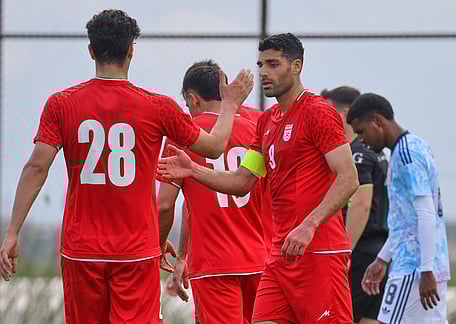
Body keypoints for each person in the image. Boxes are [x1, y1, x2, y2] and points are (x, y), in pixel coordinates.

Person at [0, 9, 254, 324]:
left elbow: (36, 168)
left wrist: (13, 232)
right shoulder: (157, 106)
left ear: (91, 50)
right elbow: (215, 145)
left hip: (82, 249)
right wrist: (229, 104)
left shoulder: (61, 103)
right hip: (136, 250)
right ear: (132, 50)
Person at [158, 33, 359, 323]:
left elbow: (348, 178)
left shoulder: (319, 112)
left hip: (318, 250)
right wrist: (193, 170)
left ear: (296, 66)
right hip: (278, 256)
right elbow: (242, 181)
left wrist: (309, 225)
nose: (264, 72)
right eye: (261, 64)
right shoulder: (266, 122)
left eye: (273, 64)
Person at [159, 60, 268, 324]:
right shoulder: (260, 123)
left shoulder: (185, 133)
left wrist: (158, 247)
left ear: (191, 98)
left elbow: (165, 205)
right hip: (263, 259)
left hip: (215, 263)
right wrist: (184, 254)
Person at [347, 93, 451, 324]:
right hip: (429, 265)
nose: (361, 140)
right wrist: (382, 260)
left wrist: (425, 270)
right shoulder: (414, 146)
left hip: (413, 269)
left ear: (377, 121)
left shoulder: (406, 155)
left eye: (361, 131)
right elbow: (407, 221)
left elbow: (426, 213)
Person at [323, 86, 389, 324]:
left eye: (329, 111)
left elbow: (361, 205)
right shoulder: (375, 153)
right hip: (377, 250)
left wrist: (344, 252)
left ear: (346, 113)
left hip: (360, 251)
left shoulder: (357, 155)